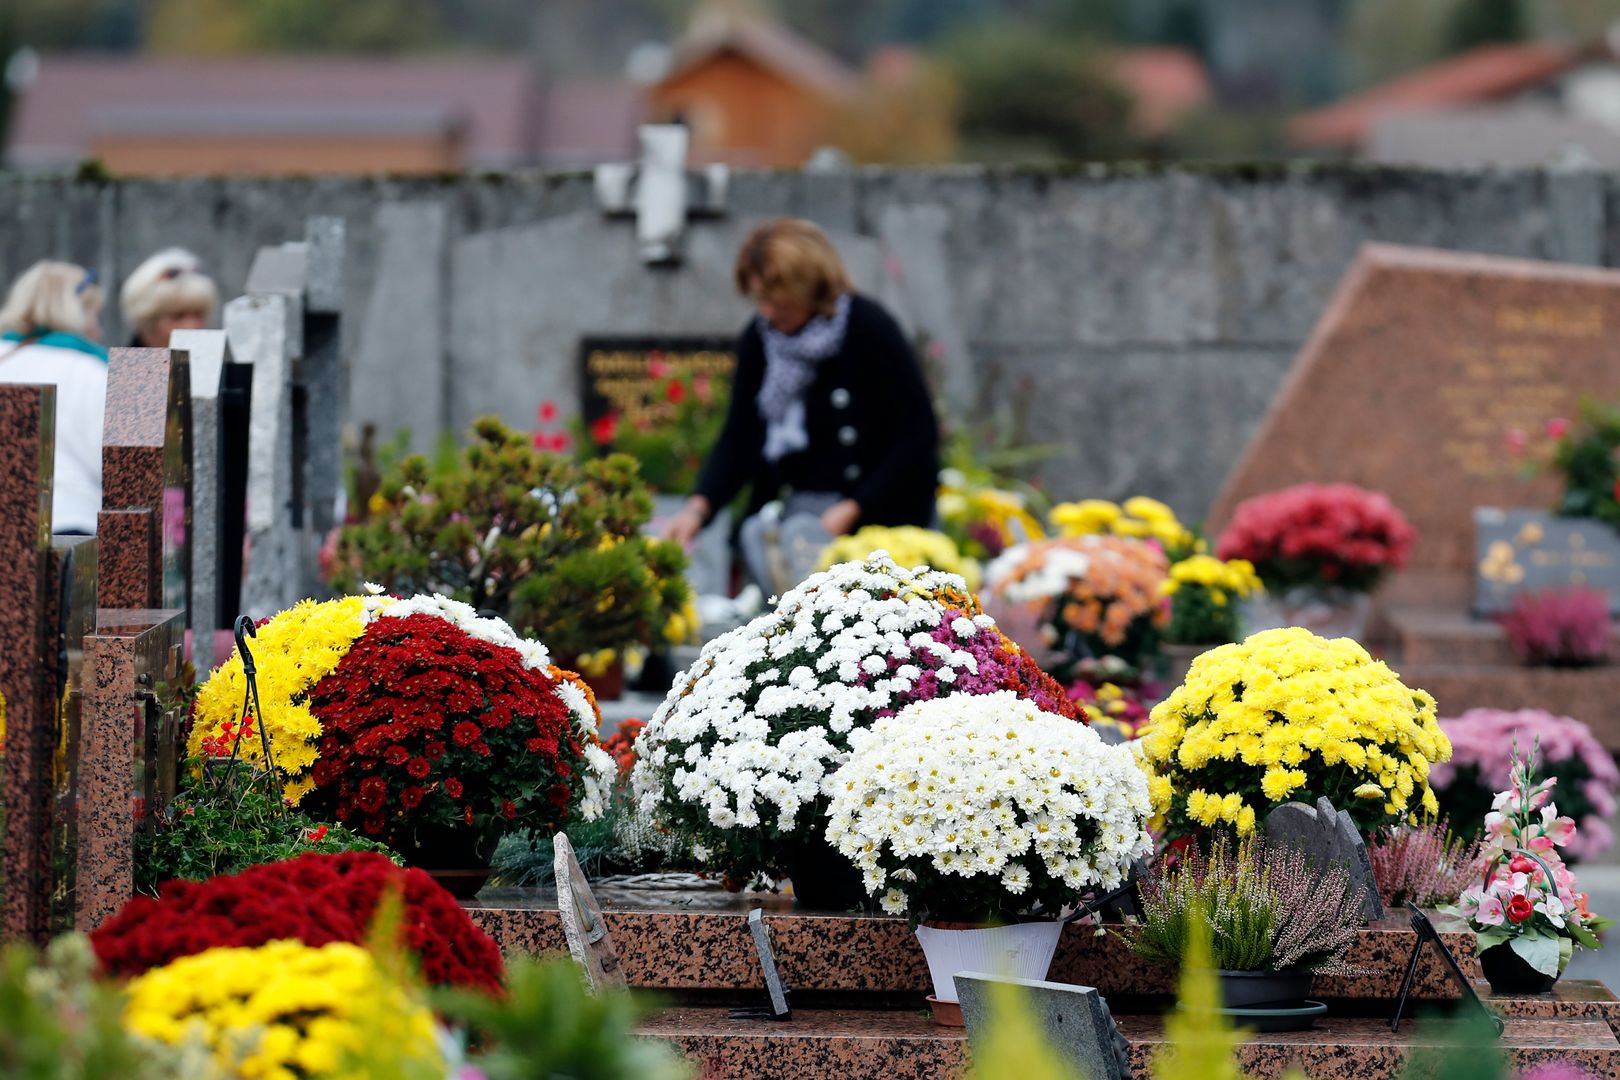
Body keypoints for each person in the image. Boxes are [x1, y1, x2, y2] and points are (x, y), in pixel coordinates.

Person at [665, 219, 939, 587]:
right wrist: (698, 507)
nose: (767, 313)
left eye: (776, 300)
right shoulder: (761, 341)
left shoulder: (869, 328)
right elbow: (742, 437)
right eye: (759, 299)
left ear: (810, 288)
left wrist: (853, 509)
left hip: (882, 519)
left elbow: (916, 436)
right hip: (801, 516)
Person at [0, 261, 109, 534]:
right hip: (71, 520)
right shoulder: (92, 369)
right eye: (95, 315)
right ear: (78, 312)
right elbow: (111, 463)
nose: (99, 329)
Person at [120, 247, 217, 348]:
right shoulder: (120, 363)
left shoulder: (206, 361)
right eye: (178, 316)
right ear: (147, 322)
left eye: (198, 315)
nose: (192, 326)